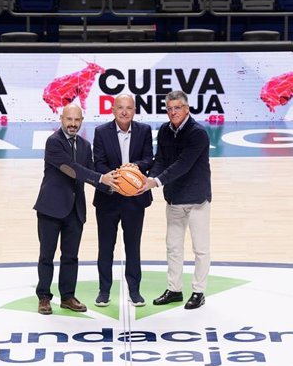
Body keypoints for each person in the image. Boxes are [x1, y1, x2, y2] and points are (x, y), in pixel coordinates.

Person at [33, 104, 120, 315]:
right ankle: (44, 297)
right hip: (51, 208)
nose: (72, 124)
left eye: (77, 120)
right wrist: (101, 178)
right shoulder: (53, 142)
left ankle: (67, 297)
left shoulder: (84, 145)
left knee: (71, 256)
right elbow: (71, 169)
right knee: (47, 255)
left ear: (82, 121)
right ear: (61, 118)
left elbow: (89, 171)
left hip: (75, 209)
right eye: (69, 120)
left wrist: (114, 185)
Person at [137, 90, 211, 310]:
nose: (173, 112)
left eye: (177, 108)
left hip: (197, 200)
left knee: (200, 248)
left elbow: (183, 164)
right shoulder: (165, 131)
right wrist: (149, 178)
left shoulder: (198, 134)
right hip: (175, 199)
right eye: (169, 109)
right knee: (173, 247)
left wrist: (156, 182)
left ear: (186, 109)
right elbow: (161, 160)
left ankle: (199, 291)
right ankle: (175, 289)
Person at [92, 94, 154, 307]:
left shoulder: (144, 131)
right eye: (120, 107)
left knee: (133, 246)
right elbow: (98, 163)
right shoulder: (101, 132)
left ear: (134, 110)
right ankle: (104, 291)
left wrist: (131, 170)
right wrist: (119, 176)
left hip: (135, 198)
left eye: (128, 108)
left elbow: (148, 159)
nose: (124, 111)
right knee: (106, 246)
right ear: (113, 110)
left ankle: (134, 291)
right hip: (108, 198)